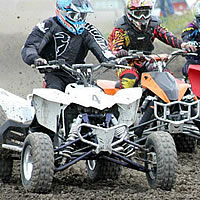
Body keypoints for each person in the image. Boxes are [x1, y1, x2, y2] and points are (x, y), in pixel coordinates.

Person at [108, 0, 197, 137]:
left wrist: (183, 45)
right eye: (139, 13)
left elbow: (168, 37)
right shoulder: (121, 27)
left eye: (145, 13)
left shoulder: (154, 24)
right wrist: (119, 51)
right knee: (129, 79)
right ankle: (123, 116)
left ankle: (174, 114)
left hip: (148, 60)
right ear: (130, 13)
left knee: (168, 80)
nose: (142, 17)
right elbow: (114, 46)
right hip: (126, 63)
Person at [21, 0, 116, 92]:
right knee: (53, 94)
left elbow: (102, 48)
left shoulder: (88, 29)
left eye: (82, 15)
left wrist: (112, 59)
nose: (79, 19)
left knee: (97, 94)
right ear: (63, 12)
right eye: (74, 15)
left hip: (80, 75)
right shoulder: (48, 25)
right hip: (55, 74)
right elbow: (30, 46)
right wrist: (36, 59)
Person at [181, 0, 200, 77]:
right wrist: (187, 43)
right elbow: (186, 35)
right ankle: (189, 86)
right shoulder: (193, 26)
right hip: (196, 59)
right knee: (187, 69)